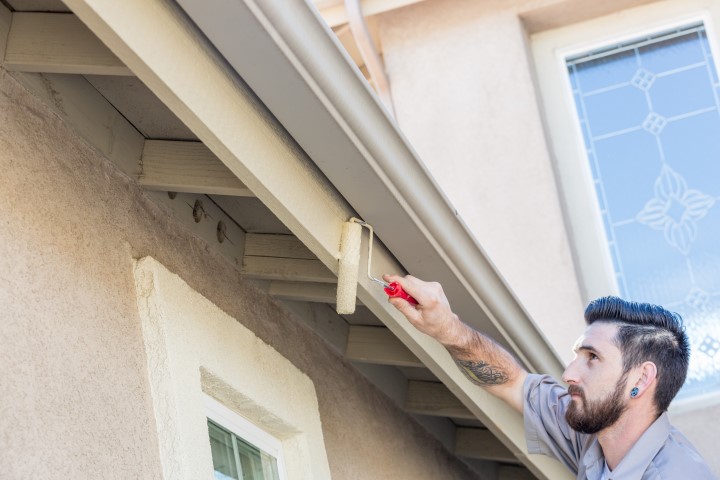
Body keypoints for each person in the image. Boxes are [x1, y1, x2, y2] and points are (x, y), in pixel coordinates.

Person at [382, 274, 716, 479]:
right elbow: (512, 381)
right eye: (576, 356)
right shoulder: (591, 435)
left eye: (593, 358)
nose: (569, 373)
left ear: (640, 381)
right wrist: (448, 328)